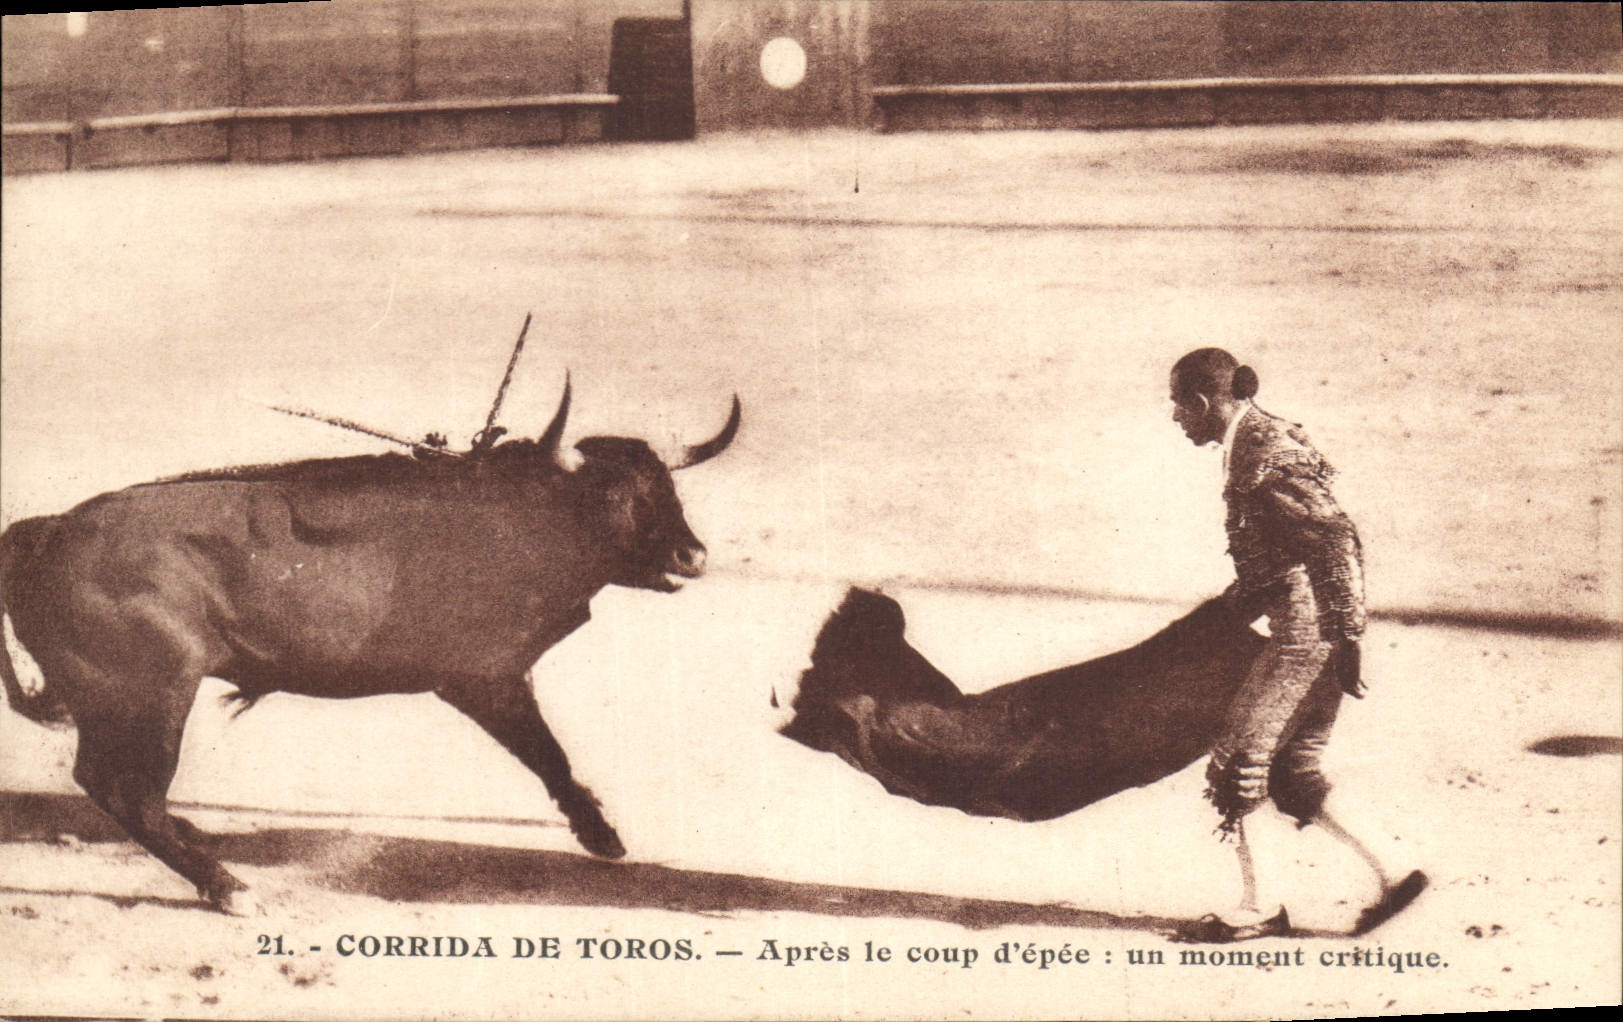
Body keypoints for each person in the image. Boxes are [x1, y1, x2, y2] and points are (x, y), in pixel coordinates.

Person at [1167, 347, 1424, 942]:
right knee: (1293, 770)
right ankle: (1392, 875)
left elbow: (1333, 538)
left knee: (1237, 763)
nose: (1175, 416)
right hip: (1317, 630)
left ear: (1203, 402)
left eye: (1179, 404)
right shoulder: (1258, 439)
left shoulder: (1261, 450)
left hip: (1305, 636)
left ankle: (1258, 907)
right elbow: (1286, 552)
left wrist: (1348, 633)